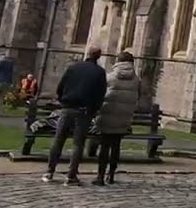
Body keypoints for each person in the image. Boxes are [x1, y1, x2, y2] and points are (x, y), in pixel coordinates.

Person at [44, 46, 106, 186]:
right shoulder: (99, 72)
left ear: (87, 54)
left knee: (59, 140)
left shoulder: (73, 68)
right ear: (98, 56)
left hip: (68, 107)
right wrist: (93, 110)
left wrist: (63, 100)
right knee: (78, 143)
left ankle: (49, 171)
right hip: (84, 111)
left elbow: (60, 87)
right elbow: (101, 94)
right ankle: (71, 175)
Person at [92, 51, 140, 187]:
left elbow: (100, 95)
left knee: (104, 147)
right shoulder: (136, 80)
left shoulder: (109, 77)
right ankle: (111, 175)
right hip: (124, 118)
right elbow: (137, 98)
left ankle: (100, 176)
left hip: (107, 116)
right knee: (116, 147)